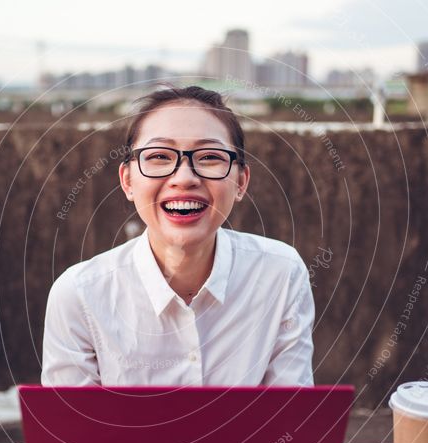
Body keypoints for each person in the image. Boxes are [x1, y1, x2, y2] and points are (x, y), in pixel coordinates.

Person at [41, 85, 314, 387]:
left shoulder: (281, 275)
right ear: (128, 180)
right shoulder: (79, 295)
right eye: (159, 156)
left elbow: (292, 421)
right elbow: (73, 431)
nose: (184, 178)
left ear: (241, 181)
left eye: (210, 156)